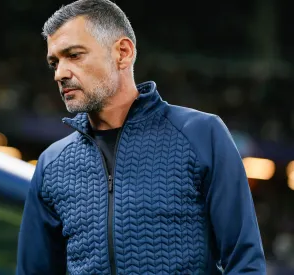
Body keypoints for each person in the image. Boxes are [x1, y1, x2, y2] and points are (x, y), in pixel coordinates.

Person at [16, 0, 266, 274]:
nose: (60, 74)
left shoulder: (202, 135)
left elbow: (245, 263)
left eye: (74, 55)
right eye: (54, 62)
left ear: (123, 53)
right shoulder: (52, 165)